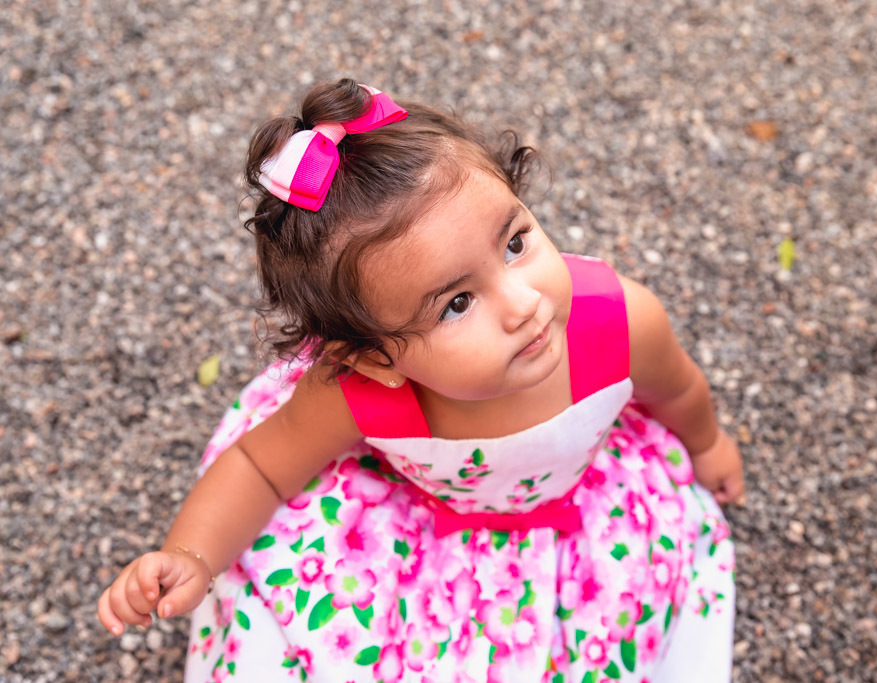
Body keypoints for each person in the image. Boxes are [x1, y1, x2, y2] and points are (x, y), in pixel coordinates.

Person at [97, 78, 744, 682]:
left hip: (584, 523)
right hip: (421, 534)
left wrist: (708, 443)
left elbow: (677, 390)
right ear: (375, 358)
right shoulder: (356, 392)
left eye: (515, 242)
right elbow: (260, 468)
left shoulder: (617, 321)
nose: (522, 303)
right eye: (457, 303)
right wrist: (192, 554)